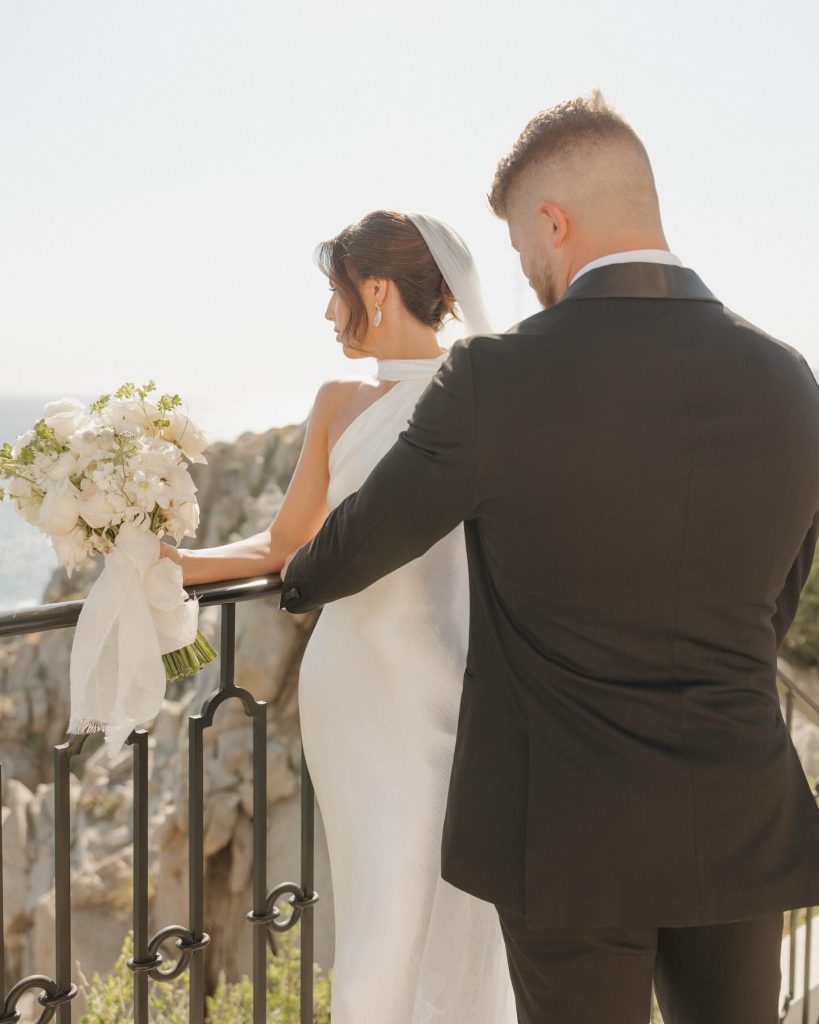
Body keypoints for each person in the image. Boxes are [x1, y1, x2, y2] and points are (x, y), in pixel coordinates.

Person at [280, 93, 819, 1024]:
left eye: (523, 247)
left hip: (566, 836)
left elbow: (344, 555)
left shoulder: (495, 376)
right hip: (737, 811)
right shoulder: (787, 376)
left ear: (552, 221)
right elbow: (777, 596)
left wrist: (287, 573)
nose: (524, 272)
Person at [162, 210, 516, 1024]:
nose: (328, 315)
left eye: (335, 293)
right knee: (380, 894)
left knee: (450, 896)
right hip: (359, 697)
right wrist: (177, 564)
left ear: (378, 290)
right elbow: (287, 544)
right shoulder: (346, 401)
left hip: (453, 686)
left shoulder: (473, 397)